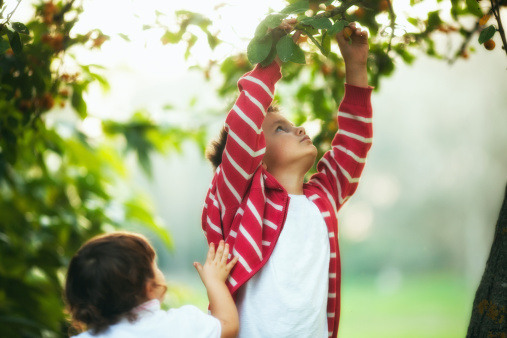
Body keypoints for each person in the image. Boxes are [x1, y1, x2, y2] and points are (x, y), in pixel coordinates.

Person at [202, 20, 372, 338]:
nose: (299, 129)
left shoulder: (323, 197)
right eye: (280, 128)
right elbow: (244, 119)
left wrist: (356, 66)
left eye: (293, 125)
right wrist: (276, 53)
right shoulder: (241, 196)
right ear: (255, 153)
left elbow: (354, 143)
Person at [64, 232, 239, 338]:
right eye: (154, 265)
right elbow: (228, 325)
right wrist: (214, 282)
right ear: (149, 286)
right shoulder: (179, 326)